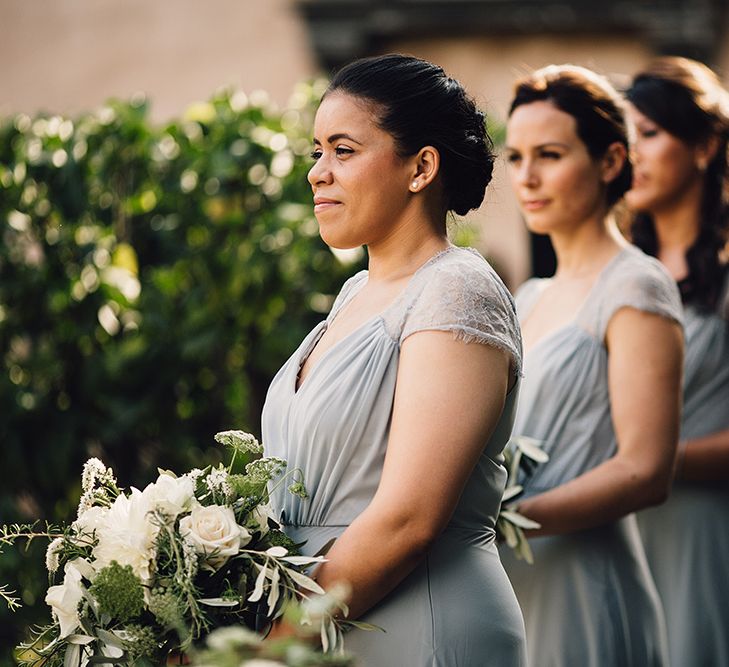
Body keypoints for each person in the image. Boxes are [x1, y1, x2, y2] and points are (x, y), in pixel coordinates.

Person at [260, 54, 526, 665]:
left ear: (421, 167)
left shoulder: (457, 290)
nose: (317, 174)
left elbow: (409, 520)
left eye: (344, 150)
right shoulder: (357, 292)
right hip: (330, 624)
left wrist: (266, 646)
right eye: (316, 152)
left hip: (417, 620)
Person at [500, 64, 684, 667]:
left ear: (609, 162)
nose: (527, 176)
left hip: (585, 582)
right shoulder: (529, 297)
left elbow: (645, 470)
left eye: (549, 155)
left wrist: (500, 520)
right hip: (516, 585)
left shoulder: (636, 285)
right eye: (516, 156)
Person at [625, 56, 729, 667]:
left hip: (698, 532)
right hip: (609, 530)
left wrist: (650, 461)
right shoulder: (615, 273)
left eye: (651, 134)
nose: (633, 152)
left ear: (704, 144)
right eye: (626, 136)